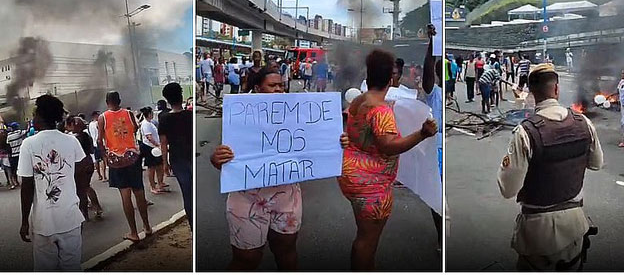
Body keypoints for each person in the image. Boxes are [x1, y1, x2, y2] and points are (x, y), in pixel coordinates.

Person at [211, 69, 348, 270]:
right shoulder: (239, 119)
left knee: (286, 252)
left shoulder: (297, 115)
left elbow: (318, 140)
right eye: (273, 86)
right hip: (246, 198)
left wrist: (338, 141)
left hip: (287, 197)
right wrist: (217, 158)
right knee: (246, 259)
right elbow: (222, 159)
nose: (279, 90)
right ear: (258, 89)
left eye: (281, 86)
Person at [497, 63, 603, 270]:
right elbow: (597, 164)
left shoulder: (525, 132)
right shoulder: (583, 123)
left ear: (532, 93)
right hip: (574, 225)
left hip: (538, 231)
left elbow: (508, 189)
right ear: (556, 89)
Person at [339, 49, 437, 270]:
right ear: (392, 78)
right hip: (371, 185)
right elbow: (388, 146)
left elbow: (359, 130)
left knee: (363, 236)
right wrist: (422, 133)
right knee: (367, 241)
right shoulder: (381, 110)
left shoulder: (359, 100)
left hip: (351, 175)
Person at [18, 95, 88, 271]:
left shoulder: (28, 144)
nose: (33, 118)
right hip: (70, 218)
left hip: (43, 223)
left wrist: (24, 220)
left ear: (40, 115)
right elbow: (82, 178)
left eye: (34, 114)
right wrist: (82, 208)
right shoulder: (72, 141)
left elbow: (26, 186)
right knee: (72, 267)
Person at [97, 91, 152, 242]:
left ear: (106, 101)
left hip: (116, 160)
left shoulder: (102, 118)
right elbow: (135, 129)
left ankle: (133, 233)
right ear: (120, 100)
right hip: (132, 157)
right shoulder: (129, 113)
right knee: (139, 192)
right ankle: (147, 226)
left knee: (125, 196)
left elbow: (99, 140)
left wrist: (105, 157)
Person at [159, 82, 193, 230]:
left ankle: (193, 226)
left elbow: (163, 144)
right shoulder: (190, 115)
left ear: (167, 100)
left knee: (187, 193)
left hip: (177, 160)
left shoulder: (164, 119)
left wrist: (165, 164)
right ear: (182, 96)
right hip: (192, 157)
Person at [422, 24, 444, 254]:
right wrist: (432, 43)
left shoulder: (445, 94)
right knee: (436, 198)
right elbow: (428, 69)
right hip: (435, 154)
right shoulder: (432, 92)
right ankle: (441, 237)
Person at [66, 115, 103, 220]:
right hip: (89, 162)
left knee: (81, 189)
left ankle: (85, 213)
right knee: (87, 187)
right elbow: (91, 150)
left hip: (80, 165)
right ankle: (96, 207)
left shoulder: (74, 139)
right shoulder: (86, 136)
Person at [139, 107, 166, 195]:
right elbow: (149, 137)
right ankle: (152, 186)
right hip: (150, 148)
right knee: (152, 168)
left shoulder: (150, 123)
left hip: (155, 147)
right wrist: (158, 145)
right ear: (149, 114)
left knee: (159, 166)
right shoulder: (146, 124)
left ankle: (160, 183)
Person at [88, 111, 107, 182]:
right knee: (103, 160)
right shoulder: (98, 123)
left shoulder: (90, 124)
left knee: (96, 160)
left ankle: (99, 175)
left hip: (94, 143)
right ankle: (104, 176)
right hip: (100, 142)